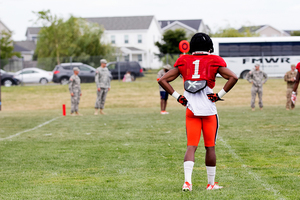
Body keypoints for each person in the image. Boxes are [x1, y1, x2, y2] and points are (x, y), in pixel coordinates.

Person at [158, 33, 238, 191]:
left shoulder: (183, 60)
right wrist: (218, 96)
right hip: (208, 109)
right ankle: (211, 184)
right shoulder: (214, 60)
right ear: (209, 46)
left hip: (190, 109)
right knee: (210, 147)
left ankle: (187, 182)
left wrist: (177, 97)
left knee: (191, 146)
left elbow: (162, 80)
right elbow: (233, 77)